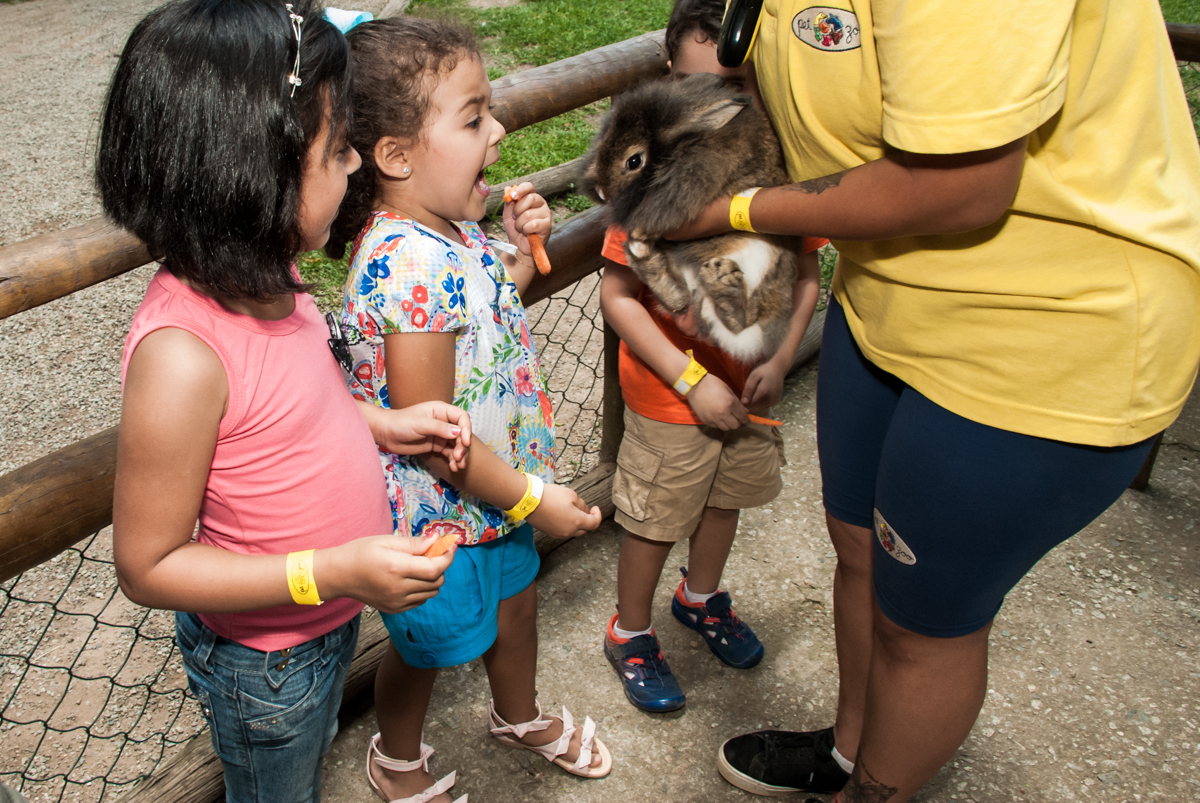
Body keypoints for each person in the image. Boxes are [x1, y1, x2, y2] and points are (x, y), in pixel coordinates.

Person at [662, 0, 1200, 800]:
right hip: (885, 293)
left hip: (1040, 330)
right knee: (858, 551)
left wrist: (731, 211)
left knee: (925, 624)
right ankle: (852, 750)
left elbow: (966, 187)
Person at [99, 3, 475, 801]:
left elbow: (296, 409)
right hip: (268, 661)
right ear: (253, 169)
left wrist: (383, 422)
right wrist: (330, 568)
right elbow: (147, 562)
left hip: (327, 615)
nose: (352, 169)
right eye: (337, 150)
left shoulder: (274, 275)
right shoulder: (181, 356)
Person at [324, 18, 610, 803]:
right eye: (475, 115)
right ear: (396, 156)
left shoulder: (446, 226)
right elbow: (431, 438)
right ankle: (397, 755)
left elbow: (480, 318)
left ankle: (517, 715)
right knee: (429, 645)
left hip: (495, 490)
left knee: (517, 607)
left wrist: (513, 254)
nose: (501, 126)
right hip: (444, 510)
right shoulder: (406, 266)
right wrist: (532, 497)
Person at [599, 0, 826, 714]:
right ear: (670, 78)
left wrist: (784, 356)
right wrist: (691, 379)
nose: (717, 108)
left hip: (750, 391)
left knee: (726, 500)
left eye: (737, 87)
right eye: (699, 88)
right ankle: (629, 631)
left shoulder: (778, 171)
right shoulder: (654, 184)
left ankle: (700, 598)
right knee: (657, 516)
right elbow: (620, 296)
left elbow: (808, 273)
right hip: (676, 397)